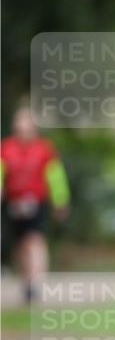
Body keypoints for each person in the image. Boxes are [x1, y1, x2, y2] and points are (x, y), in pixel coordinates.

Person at [1, 104, 70, 303]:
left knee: (35, 241)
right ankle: (26, 281)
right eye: (20, 121)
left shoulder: (44, 149)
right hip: (13, 203)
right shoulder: (6, 148)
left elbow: (56, 177)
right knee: (21, 245)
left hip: (37, 202)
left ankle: (36, 282)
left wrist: (61, 200)